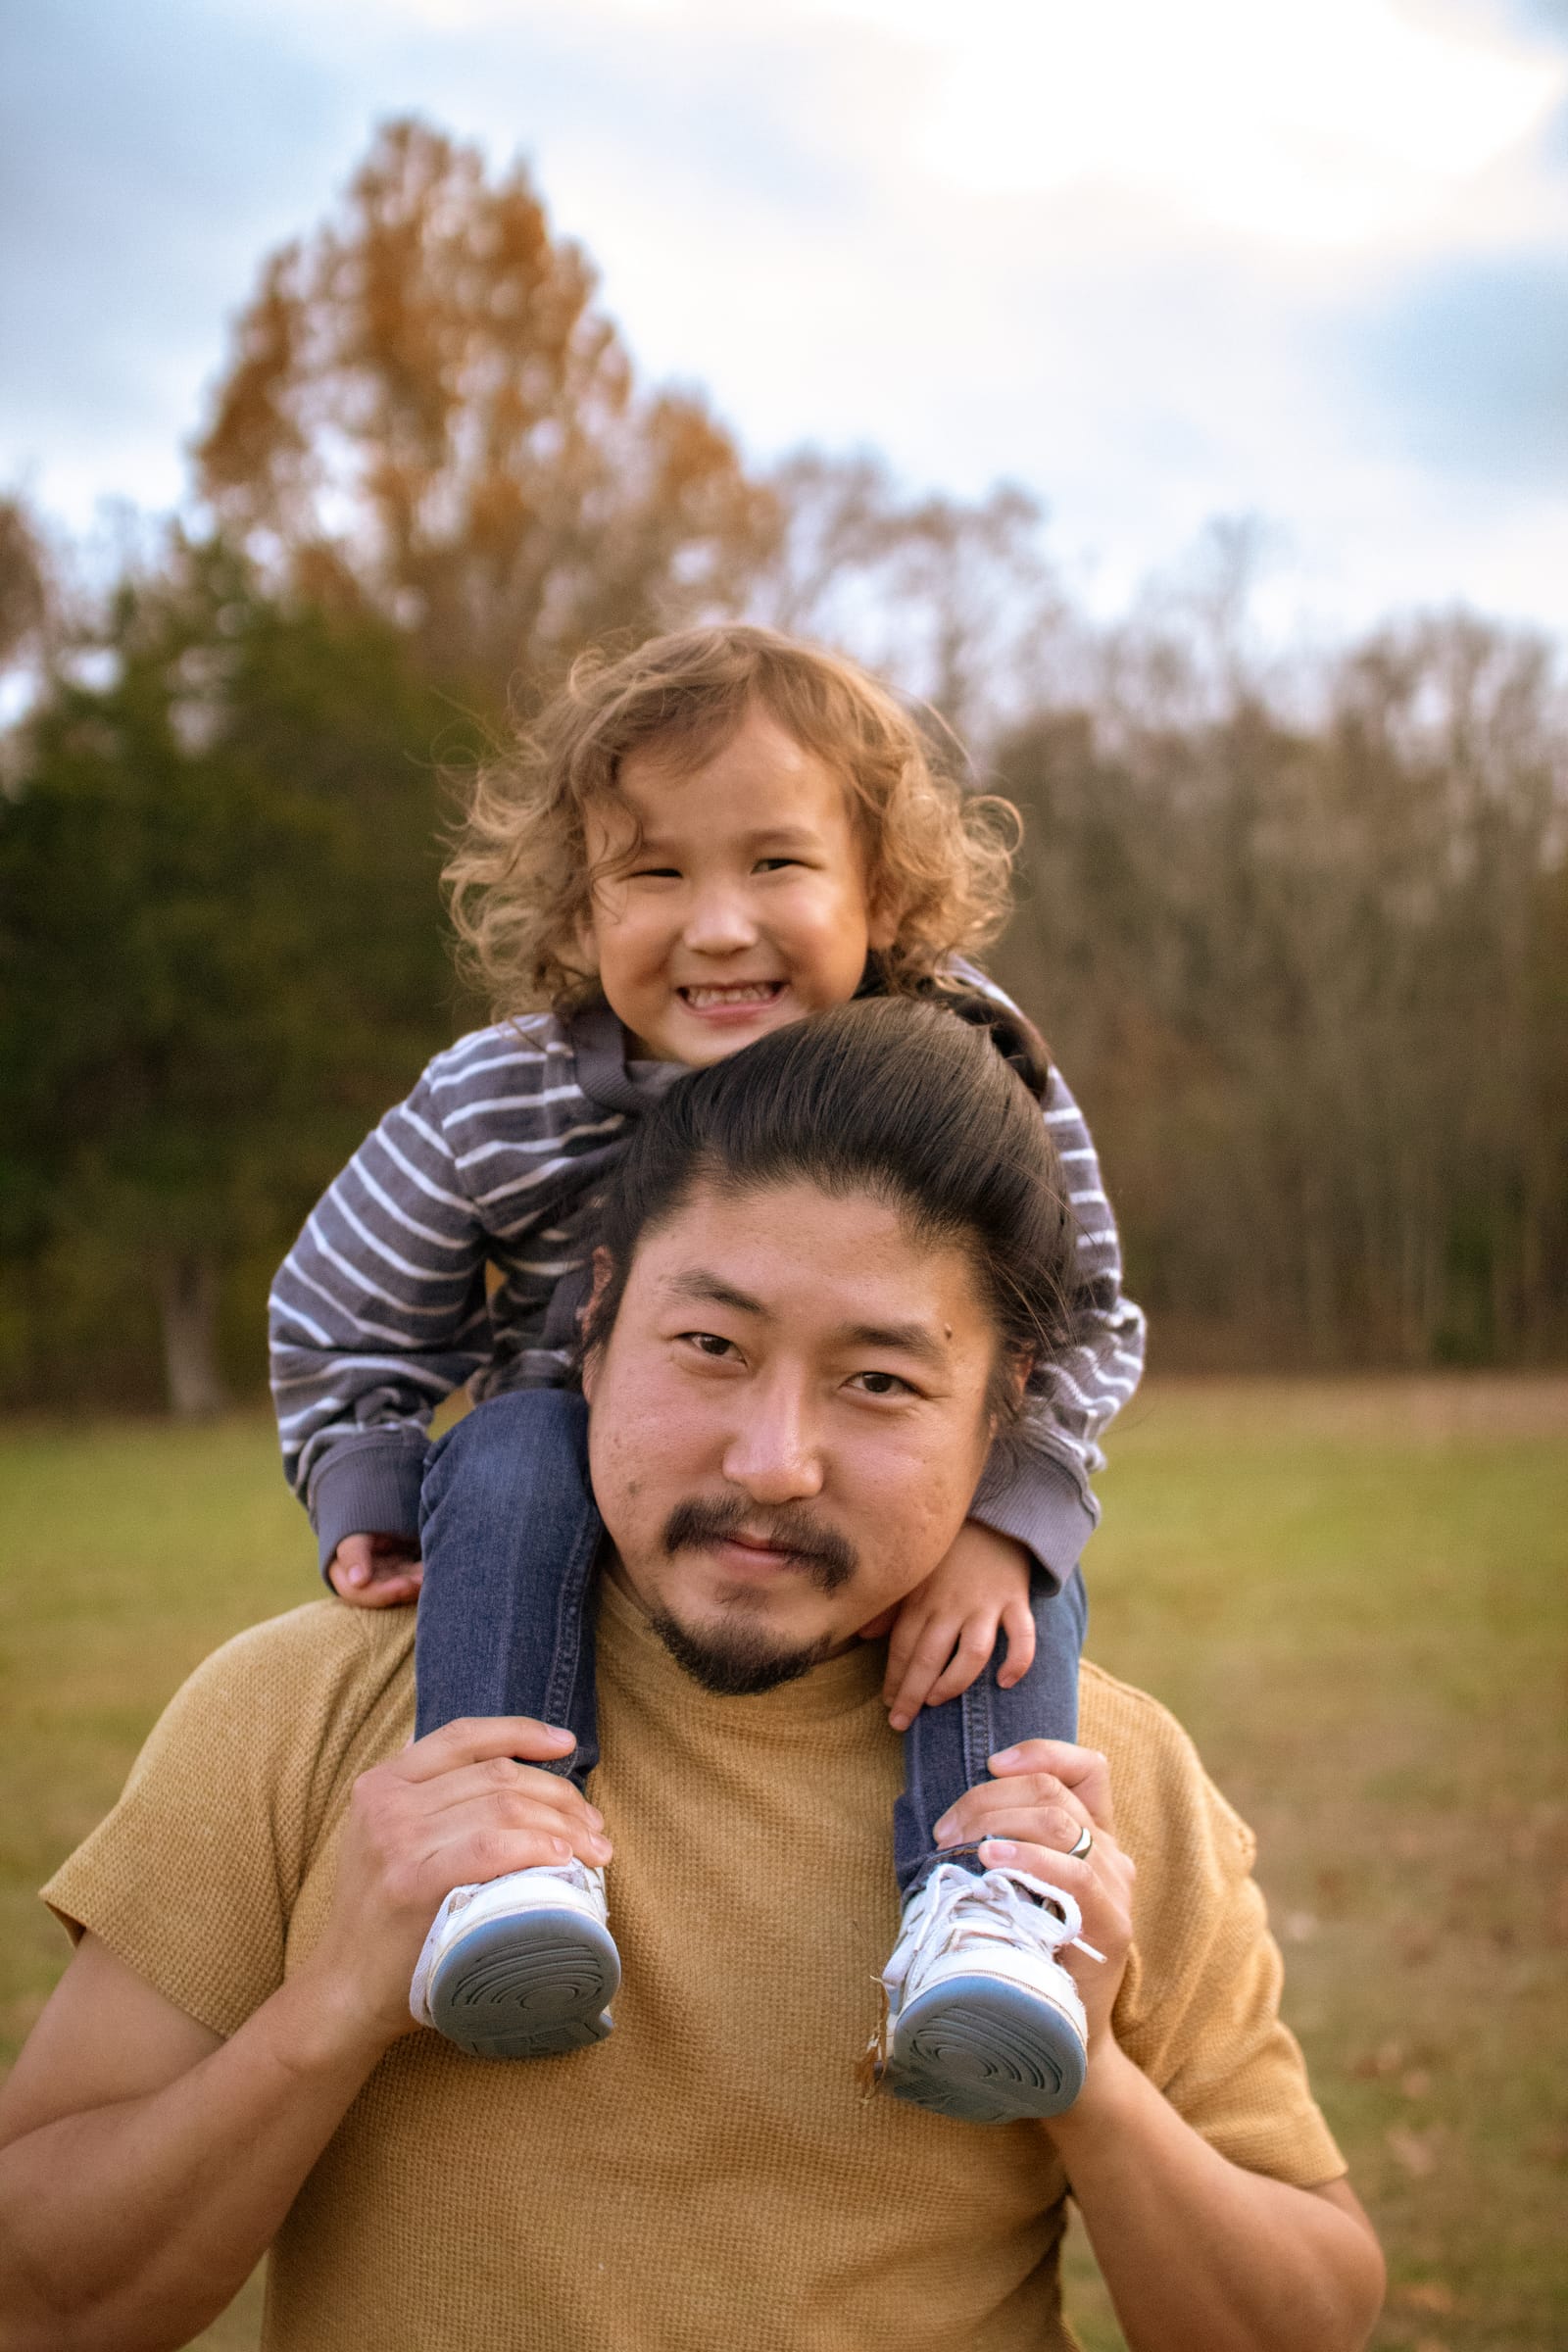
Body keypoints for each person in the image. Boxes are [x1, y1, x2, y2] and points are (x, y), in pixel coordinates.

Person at [0, 1002, 1383, 2352]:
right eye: (711, 1347)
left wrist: (1095, 2085)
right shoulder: (305, 1717)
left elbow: (1311, 2317)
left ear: (1003, 1408)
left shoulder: (1083, 1796)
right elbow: (35, 2299)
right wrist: (332, 2010)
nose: (772, 1460)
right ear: (595, 1325)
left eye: (882, 1384)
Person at [268, 623, 1146, 2108]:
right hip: (571, 1493)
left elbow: (1086, 1316)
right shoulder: (507, 1092)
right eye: (654, 874)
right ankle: (509, 1858)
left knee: (1016, 1586)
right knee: (515, 1445)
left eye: (778, 867)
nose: (718, 927)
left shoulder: (975, 1078)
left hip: (890, 1511)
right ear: (580, 898)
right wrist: (366, 1478)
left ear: (884, 889)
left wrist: (1009, 1518)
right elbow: (349, 1300)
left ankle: (989, 1908)